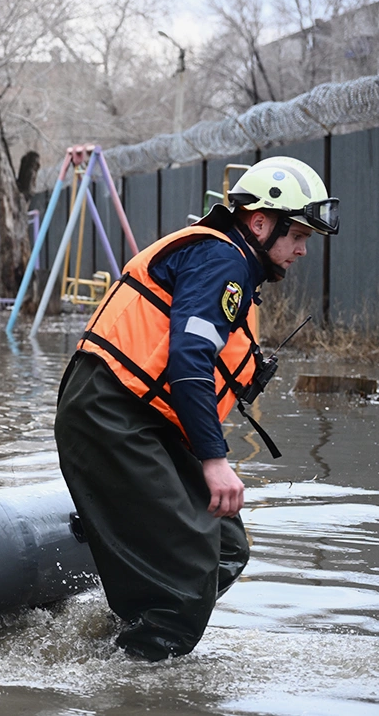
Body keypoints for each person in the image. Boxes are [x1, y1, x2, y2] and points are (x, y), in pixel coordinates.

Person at [54, 156, 339, 661]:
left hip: (148, 418)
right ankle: (140, 684)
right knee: (187, 572)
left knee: (227, 547)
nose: (301, 249)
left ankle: (119, 640)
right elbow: (189, 357)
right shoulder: (222, 260)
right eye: (297, 234)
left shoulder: (236, 268)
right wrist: (215, 460)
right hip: (110, 410)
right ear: (259, 221)